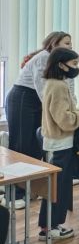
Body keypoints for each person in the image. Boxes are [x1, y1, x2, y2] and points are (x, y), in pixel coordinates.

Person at [5, 32, 75, 209]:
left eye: (71, 43)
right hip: (23, 99)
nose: (70, 46)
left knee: (36, 147)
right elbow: (44, 90)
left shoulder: (64, 63)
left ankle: (29, 189)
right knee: (21, 147)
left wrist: (71, 109)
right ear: (54, 44)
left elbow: (68, 89)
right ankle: (13, 195)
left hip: (37, 102)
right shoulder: (44, 57)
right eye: (67, 43)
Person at [38, 47, 79, 240]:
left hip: (55, 143)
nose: (76, 67)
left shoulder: (51, 83)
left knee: (54, 187)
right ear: (61, 64)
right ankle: (52, 228)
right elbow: (65, 120)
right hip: (60, 145)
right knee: (59, 188)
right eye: (73, 63)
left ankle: (47, 227)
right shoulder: (58, 86)